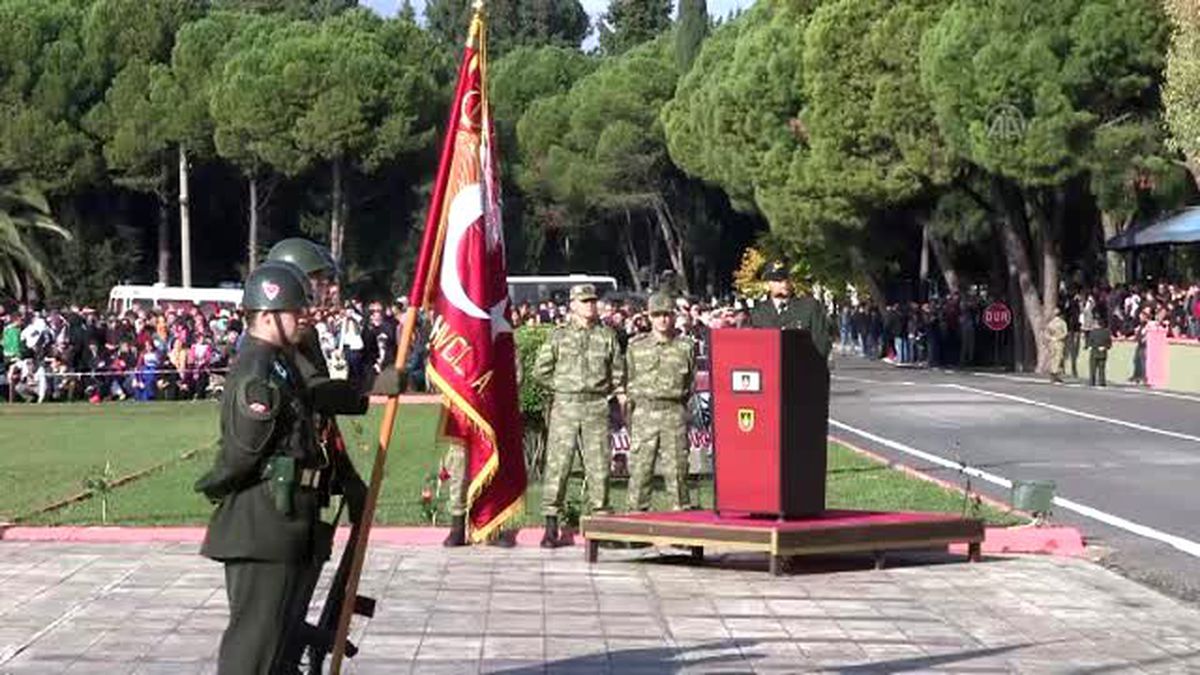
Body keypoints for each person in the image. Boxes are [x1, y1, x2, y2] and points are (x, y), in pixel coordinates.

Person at [263, 239, 402, 670]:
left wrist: (349, 479)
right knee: (277, 615)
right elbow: (315, 399)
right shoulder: (280, 344)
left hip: (311, 489)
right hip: (278, 499)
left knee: (298, 606)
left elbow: (322, 425)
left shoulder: (303, 340)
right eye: (320, 282)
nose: (328, 292)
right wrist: (367, 390)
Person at [194, 262, 323, 675]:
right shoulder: (257, 368)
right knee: (253, 648)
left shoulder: (278, 362)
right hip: (262, 523)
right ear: (267, 316)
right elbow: (245, 452)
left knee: (276, 646)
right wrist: (216, 481)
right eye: (294, 311)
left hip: (281, 521)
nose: (304, 317)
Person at [534, 283, 626, 548]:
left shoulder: (606, 335)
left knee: (599, 465)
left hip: (596, 406)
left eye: (592, 301)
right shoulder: (559, 336)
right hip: (566, 406)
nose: (590, 305)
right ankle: (551, 525)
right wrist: (562, 386)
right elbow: (541, 370)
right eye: (584, 301)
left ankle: (601, 524)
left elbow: (617, 372)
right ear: (573, 305)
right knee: (559, 465)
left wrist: (613, 393)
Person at [625, 293, 696, 512]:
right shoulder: (636, 347)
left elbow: (690, 382)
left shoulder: (685, 347)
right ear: (649, 317)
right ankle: (635, 528)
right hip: (644, 413)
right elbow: (629, 379)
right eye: (657, 315)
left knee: (677, 471)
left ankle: (681, 527)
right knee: (640, 472)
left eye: (666, 314)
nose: (662, 320)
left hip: (673, 413)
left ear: (673, 316)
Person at [749, 260, 831, 359]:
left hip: (803, 370)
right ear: (768, 283)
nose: (784, 284)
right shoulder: (758, 312)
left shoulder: (809, 307)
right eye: (778, 281)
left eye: (787, 279)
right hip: (770, 370)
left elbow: (822, 344)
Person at [1044, 307, 1068, 383]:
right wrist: (1058, 337)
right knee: (1058, 358)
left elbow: (1046, 333)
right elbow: (1065, 333)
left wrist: (1051, 338)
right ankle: (1055, 374)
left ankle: (1053, 374)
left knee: (1053, 358)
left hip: (1052, 342)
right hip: (1059, 342)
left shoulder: (1051, 323)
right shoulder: (1062, 323)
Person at [1086, 316, 1113, 387]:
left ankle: (1092, 381)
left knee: (1093, 368)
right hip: (1102, 352)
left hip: (1094, 352)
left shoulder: (1093, 332)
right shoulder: (1106, 332)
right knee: (1102, 368)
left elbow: (1089, 342)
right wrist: (1105, 347)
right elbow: (1109, 343)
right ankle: (1102, 382)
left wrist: (1089, 346)